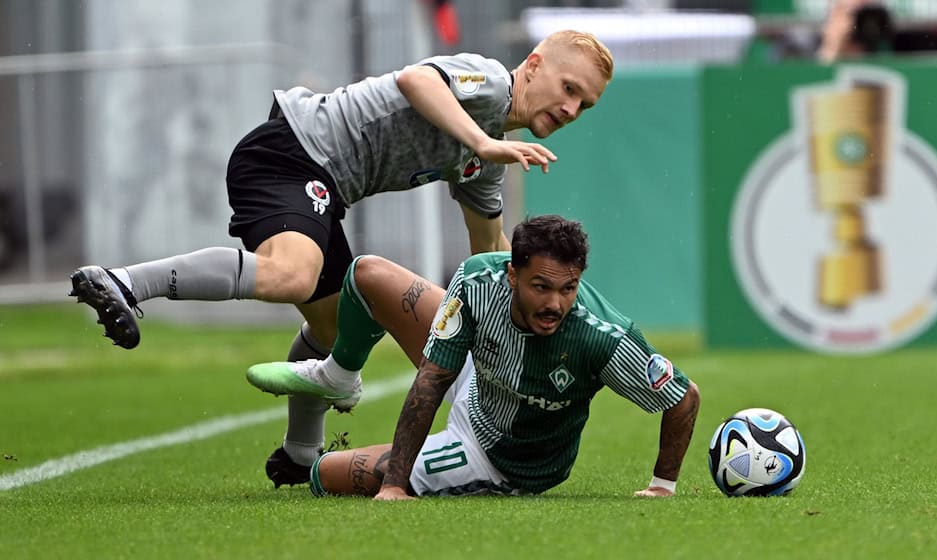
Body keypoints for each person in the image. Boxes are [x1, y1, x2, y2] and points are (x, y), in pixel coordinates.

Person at [68, 31, 614, 484]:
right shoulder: (491, 83)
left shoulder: (485, 160)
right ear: (535, 65)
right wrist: (485, 141)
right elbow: (416, 79)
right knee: (292, 274)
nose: (570, 109)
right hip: (293, 153)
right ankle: (123, 282)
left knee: (333, 328)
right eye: (568, 89)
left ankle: (300, 453)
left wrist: (532, 314)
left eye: (584, 105)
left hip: (323, 185)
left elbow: (491, 258)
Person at [247, 215, 701, 499]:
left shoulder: (603, 337)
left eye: (568, 289)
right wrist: (394, 486)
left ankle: (308, 460)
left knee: (326, 475)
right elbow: (432, 378)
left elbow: (683, 397)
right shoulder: (476, 281)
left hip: (497, 457)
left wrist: (663, 486)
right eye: (541, 287)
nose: (554, 304)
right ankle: (340, 375)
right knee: (367, 273)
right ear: (511, 275)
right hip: (479, 379)